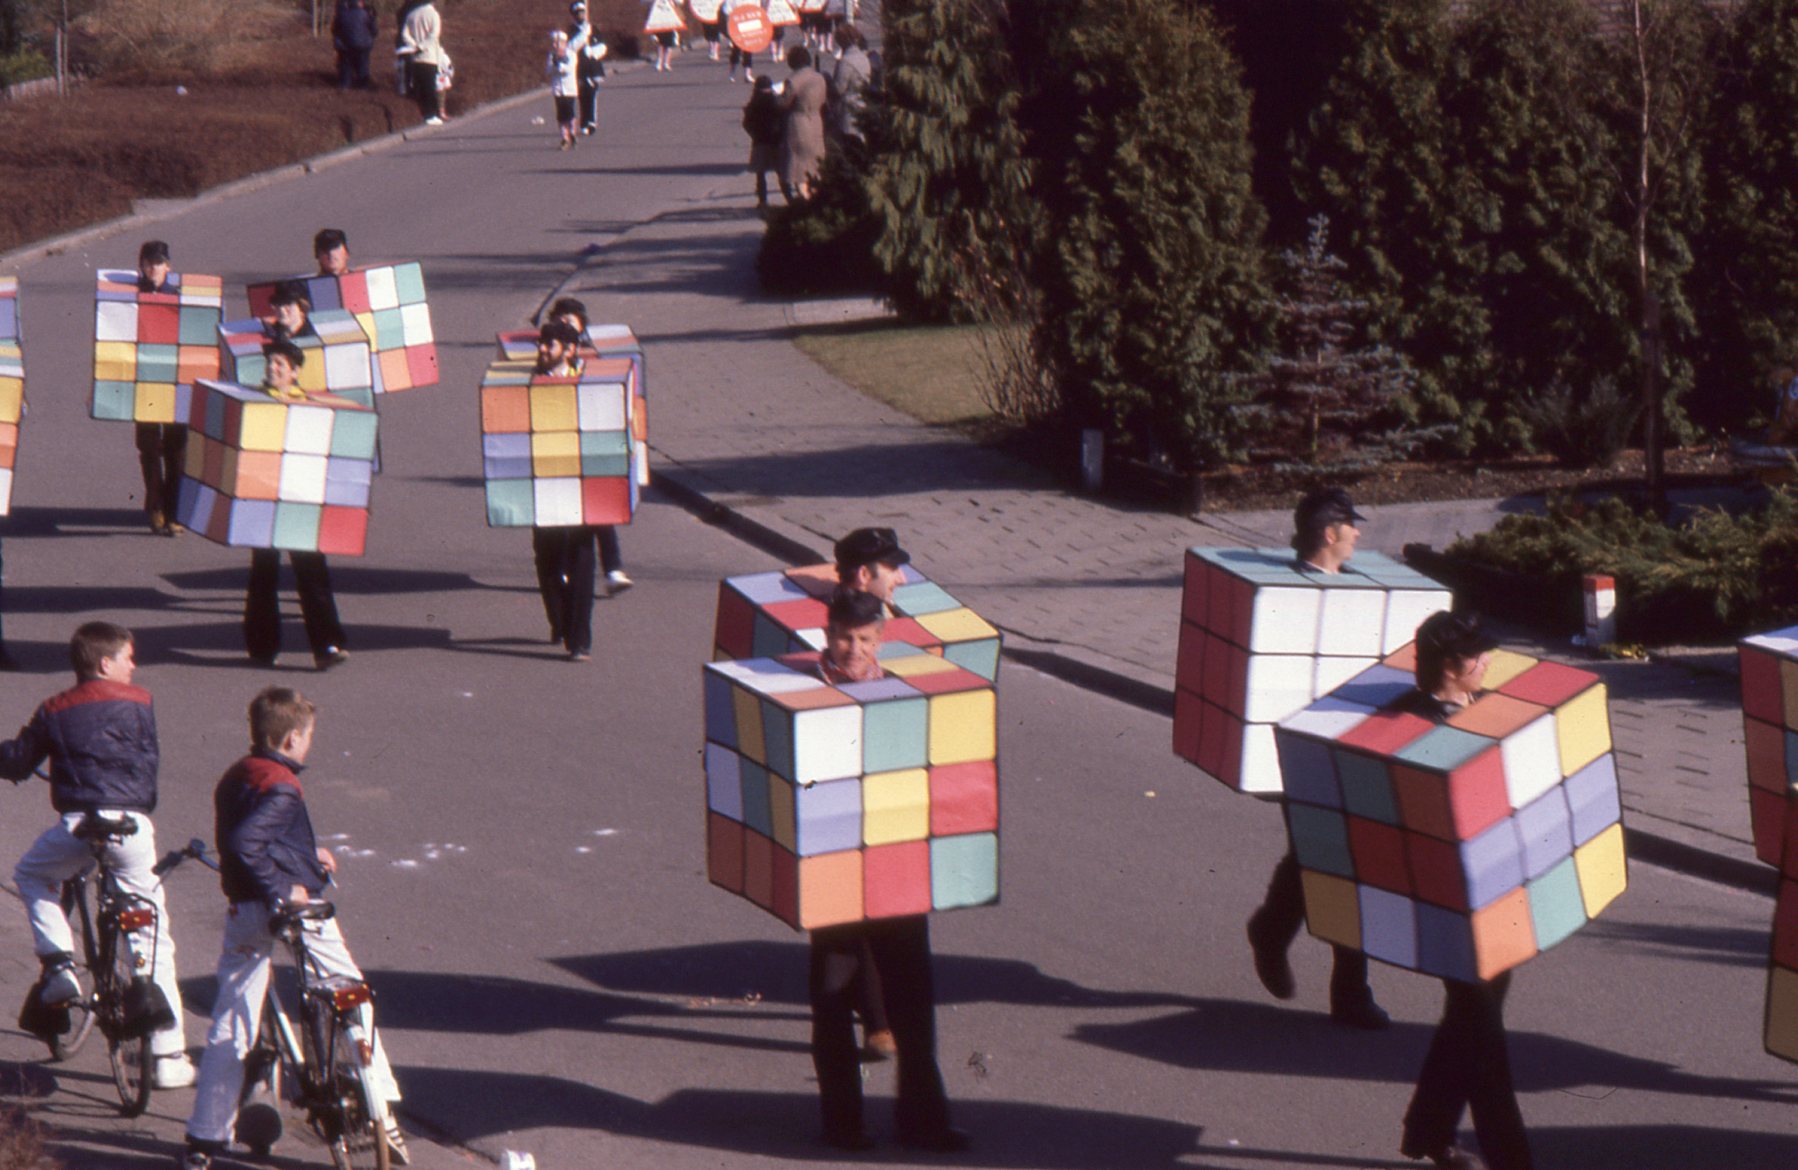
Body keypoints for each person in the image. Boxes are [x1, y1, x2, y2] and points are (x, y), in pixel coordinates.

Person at [179, 687, 404, 1170]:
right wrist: (286, 888)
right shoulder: (284, 785)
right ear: (290, 739)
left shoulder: (236, 775)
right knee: (350, 992)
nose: (308, 746)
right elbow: (248, 842)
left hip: (245, 911)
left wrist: (305, 855)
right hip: (290, 909)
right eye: (308, 737)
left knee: (232, 1017)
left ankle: (205, 1135)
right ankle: (383, 1112)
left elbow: (254, 837)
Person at [0, 622, 194, 1089]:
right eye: (128, 657)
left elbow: (19, 760)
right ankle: (168, 1057)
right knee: (151, 931)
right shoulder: (141, 702)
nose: (134, 665)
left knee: (33, 875)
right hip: (131, 826)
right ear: (105, 664)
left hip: (80, 825)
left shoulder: (54, 708)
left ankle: (60, 965)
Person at [809, 588, 963, 1152]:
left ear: (881, 640)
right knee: (832, 1000)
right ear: (828, 635)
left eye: (865, 639)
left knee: (913, 1002)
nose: (854, 649)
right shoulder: (804, 695)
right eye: (844, 638)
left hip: (896, 868)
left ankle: (925, 1122)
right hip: (832, 871)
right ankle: (842, 1124)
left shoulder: (901, 689)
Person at [1243, 487, 1389, 1030]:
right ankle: (1349, 991)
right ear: (1330, 534)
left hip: (1355, 746)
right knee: (1337, 858)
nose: (1359, 533)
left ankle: (1273, 930)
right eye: (1352, 526)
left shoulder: (1361, 589)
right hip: (1303, 751)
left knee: (1327, 855)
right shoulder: (1286, 598)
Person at [1394, 612, 1530, 1170]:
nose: (1489, 661)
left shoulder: (1485, 705)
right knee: (1483, 1033)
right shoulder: (1413, 728)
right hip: (1447, 900)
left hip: (1495, 888)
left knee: (1471, 1019)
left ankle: (1427, 1130)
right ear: (1451, 666)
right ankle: (1511, 1158)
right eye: (1478, 655)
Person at [244, 341, 350, 671]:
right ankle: (262, 647)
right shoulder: (252, 401)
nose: (272, 368)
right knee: (263, 573)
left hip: (300, 498)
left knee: (313, 573)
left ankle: (327, 646)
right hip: (264, 497)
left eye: (280, 364)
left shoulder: (312, 405)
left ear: (295, 372)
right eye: (270, 362)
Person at [545, 298, 634, 595]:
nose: (565, 327)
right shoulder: (544, 364)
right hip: (557, 449)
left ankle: (613, 570)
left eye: (570, 323)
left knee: (600, 510)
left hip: (588, 447)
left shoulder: (593, 363)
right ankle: (564, 569)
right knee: (562, 515)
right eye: (560, 322)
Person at [528, 322, 606, 660]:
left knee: (583, 563)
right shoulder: (527, 383)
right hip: (544, 484)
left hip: (581, 485)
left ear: (570, 350)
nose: (543, 349)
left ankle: (580, 640)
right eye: (542, 343)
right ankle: (559, 620)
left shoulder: (589, 382)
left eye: (551, 344)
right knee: (547, 560)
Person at [132, 240, 188, 537]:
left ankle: (174, 511)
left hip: (176, 382)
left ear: (168, 266)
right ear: (141, 266)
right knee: (149, 447)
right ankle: (156, 506)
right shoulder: (128, 298)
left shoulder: (183, 298)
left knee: (177, 451)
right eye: (148, 263)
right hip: (144, 383)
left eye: (158, 263)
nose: (153, 268)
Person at [778, 45, 828, 201]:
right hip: (816, 120)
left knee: (798, 166)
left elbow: (783, 103)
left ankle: (804, 198)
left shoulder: (793, 80)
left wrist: (776, 97)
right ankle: (815, 195)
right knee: (814, 162)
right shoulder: (819, 77)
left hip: (798, 122)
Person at [399, 0, 448, 124]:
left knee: (420, 86)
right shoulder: (434, 14)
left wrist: (414, 45)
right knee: (430, 86)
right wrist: (422, 46)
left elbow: (404, 34)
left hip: (415, 57)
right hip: (429, 56)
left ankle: (425, 113)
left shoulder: (411, 14)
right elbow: (434, 35)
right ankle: (430, 115)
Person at [742, 74, 783, 208]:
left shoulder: (753, 103)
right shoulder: (776, 102)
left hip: (759, 141)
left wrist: (754, 134)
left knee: (760, 173)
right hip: (775, 140)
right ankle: (789, 197)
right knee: (781, 172)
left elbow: (746, 123)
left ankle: (762, 200)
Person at [568, 1, 608, 135]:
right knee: (582, 96)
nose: (580, 15)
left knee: (592, 94)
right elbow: (571, 47)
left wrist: (593, 52)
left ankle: (591, 121)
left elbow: (603, 46)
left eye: (582, 12)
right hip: (578, 69)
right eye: (577, 13)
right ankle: (584, 122)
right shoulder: (571, 31)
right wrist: (583, 36)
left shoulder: (593, 29)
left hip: (592, 68)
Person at [829, 23, 870, 142]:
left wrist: (828, 82)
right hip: (862, 102)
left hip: (848, 108)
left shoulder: (846, 62)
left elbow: (838, 88)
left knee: (849, 141)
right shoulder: (863, 57)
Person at [332, 0, 377, 89]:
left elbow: (334, 30)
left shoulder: (342, 14)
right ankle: (363, 85)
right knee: (363, 65)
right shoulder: (366, 14)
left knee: (346, 65)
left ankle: (345, 84)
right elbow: (374, 31)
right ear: (360, 4)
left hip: (346, 46)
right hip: (363, 45)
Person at [547, 29, 580, 150]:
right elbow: (549, 70)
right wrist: (554, 66)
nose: (555, 45)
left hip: (569, 90)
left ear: (564, 43)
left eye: (557, 43)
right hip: (558, 90)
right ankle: (564, 138)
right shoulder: (552, 55)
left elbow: (568, 70)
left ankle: (572, 132)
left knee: (569, 113)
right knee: (560, 115)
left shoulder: (571, 55)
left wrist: (559, 65)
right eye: (553, 42)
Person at [722, 0, 760, 80]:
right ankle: (732, 73)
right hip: (736, 25)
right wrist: (734, 16)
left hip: (749, 24)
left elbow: (757, 9)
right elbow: (726, 9)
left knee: (749, 49)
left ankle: (747, 74)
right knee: (736, 50)